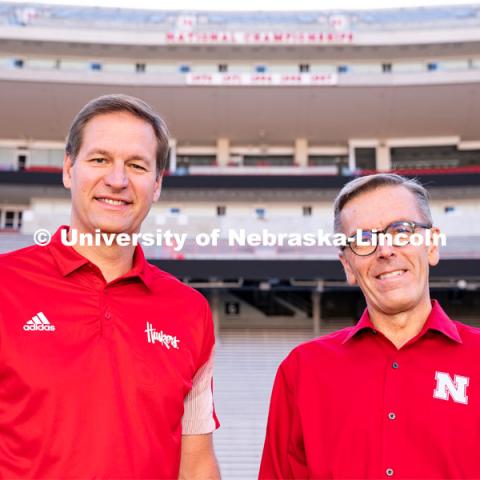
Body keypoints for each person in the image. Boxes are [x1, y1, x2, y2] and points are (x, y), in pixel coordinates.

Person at [0, 94, 220, 479]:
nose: (117, 181)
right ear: (69, 169)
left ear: (156, 185)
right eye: (99, 159)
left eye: (136, 165)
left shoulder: (190, 311)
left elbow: (196, 461)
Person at [259, 173, 480, 479]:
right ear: (348, 265)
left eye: (402, 230)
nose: (385, 250)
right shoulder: (302, 371)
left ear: (431, 245)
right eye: (364, 239)